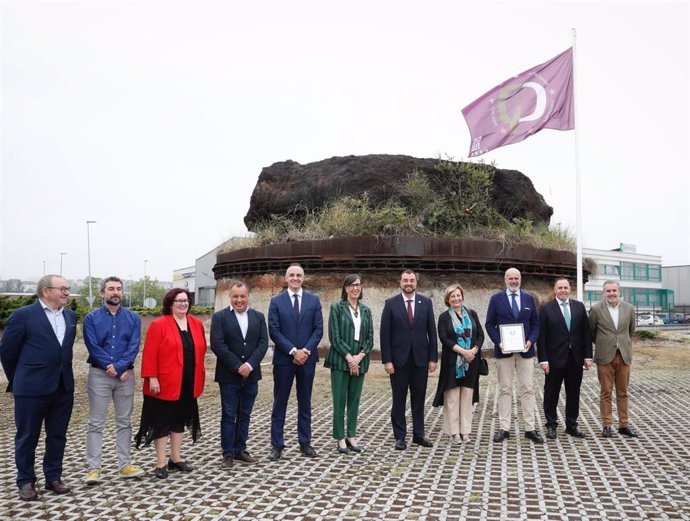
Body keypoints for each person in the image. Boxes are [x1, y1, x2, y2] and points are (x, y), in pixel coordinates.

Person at [0, 275, 77, 500]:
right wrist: (21, 377)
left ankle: (53, 477)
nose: (66, 292)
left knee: (58, 435)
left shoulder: (71, 316)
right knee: (27, 436)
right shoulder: (23, 315)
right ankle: (26, 481)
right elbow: (7, 352)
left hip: (63, 387)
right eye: (62, 288)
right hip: (31, 389)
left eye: (67, 289)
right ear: (45, 291)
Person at [134, 288, 207, 478]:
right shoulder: (159, 325)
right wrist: (152, 378)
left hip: (188, 381)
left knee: (180, 421)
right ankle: (160, 463)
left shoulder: (196, 324)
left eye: (186, 300)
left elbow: (199, 352)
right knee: (162, 422)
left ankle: (176, 458)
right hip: (164, 383)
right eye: (179, 301)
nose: (183, 304)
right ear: (170, 303)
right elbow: (150, 354)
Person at [83, 276, 145, 484]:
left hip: (126, 376)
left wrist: (119, 368)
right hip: (99, 375)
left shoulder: (134, 318)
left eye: (119, 288)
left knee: (124, 421)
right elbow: (93, 347)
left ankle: (125, 465)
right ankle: (93, 469)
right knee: (95, 422)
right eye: (111, 289)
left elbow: (134, 346)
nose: (115, 292)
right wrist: (114, 368)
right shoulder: (91, 318)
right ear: (102, 293)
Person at [268, 263, 324, 460]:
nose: (295, 278)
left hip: (307, 360)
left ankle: (305, 442)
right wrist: (293, 351)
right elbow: (274, 330)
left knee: (305, 401)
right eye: (291, 275)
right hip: (284, 359)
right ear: (286, 278)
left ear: (303, 278)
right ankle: (277, 445)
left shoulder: (314, 300)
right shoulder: (276, 301)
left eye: (298, 275)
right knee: (280, 402)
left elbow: (318, 329)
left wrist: (305, 351)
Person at [210, 281, 268, 468]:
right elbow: (218, 345)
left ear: (248, 296)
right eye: (235, 296)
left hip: (251, 375)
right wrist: (238, 366)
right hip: (229, 376)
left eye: (242, 296)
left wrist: (250, 365)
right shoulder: (220, 317)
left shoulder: (258, 317)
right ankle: (228, 454)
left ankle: (240, 450)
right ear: (230, 297)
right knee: (228, 415)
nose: (239, 300)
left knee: (245, 414)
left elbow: (262, 343)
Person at [380, 269, 438, 450]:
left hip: (421, 360)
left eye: (412, 280)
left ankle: (419, 435)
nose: (408, 283)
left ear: (416, 283)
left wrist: (433, 358)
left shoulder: (426, 303)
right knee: (399, 398)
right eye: (405, 280)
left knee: (419, 398)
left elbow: (432, 332)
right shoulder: (390, 304)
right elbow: (384, 334)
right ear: (400, 282)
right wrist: (387, 360)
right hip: (398, 361)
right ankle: (400, 436)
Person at [485, 267, 543, 444]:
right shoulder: (496, 299)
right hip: (505, 352)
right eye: (510, 278)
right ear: (505, 280)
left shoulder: (529, 299)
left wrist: (531, 341)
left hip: (526, 352)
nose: (513, 281)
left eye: (516, 278)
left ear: (520, 279)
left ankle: (530, 428)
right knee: (505, 389)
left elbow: (536, 325)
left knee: (527, 389)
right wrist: (499, 342)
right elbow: (489, 324)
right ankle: (504, 428)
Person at [537, 278, 593, 440]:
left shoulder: (579, 307)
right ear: (555, 290)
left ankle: (571, 425)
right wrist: (543, 359)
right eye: (559, 288)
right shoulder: (546, 309)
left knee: (573, 393)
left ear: (570, 289)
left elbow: (586, 333)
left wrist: (588, 356)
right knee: (551, 393)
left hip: (575, 359)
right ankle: (551, 425)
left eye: (565, 287)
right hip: (554, 360)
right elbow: (542, 337)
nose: (563, 290)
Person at [325, 274, 374, 453]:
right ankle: (339, 437)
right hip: (340, 361)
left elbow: (370, 338)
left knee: (354, 400)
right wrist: (349, 358)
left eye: (358, 285)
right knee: (340, 400)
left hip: (360, 362)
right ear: (345, 288)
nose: (355, 288)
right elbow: (334, 336)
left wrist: (359, 357)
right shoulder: (337, 308)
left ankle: (351, 435)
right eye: (352, 285)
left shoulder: (366, 310)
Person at [432, 284, 485, 444]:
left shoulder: (472, 314)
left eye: (458, 295)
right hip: (452, 363)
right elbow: (444, 339)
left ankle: (465, 431)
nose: (456, 298)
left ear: (462, 296)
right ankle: (454, 431)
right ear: (448, 300)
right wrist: (464, 352)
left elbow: (480, 335)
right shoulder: (444, 317)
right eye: (452, 296)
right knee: (453, 398)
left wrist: (474, 350)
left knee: (467, 397)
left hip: (471, 362)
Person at [588, 280, 638, 438]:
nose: (611, 293)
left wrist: (621, 344)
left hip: (623, 356)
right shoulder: (596, 309)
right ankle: (607, 425)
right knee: (606, 392)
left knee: (623, 392)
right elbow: (591, 332)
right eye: (608, 291)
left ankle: (624, 424)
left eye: (614, 290)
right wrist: (605, 344)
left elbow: (631, 330)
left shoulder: (629, 308)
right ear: (604, 293)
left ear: (619, 291)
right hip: (605, 357)